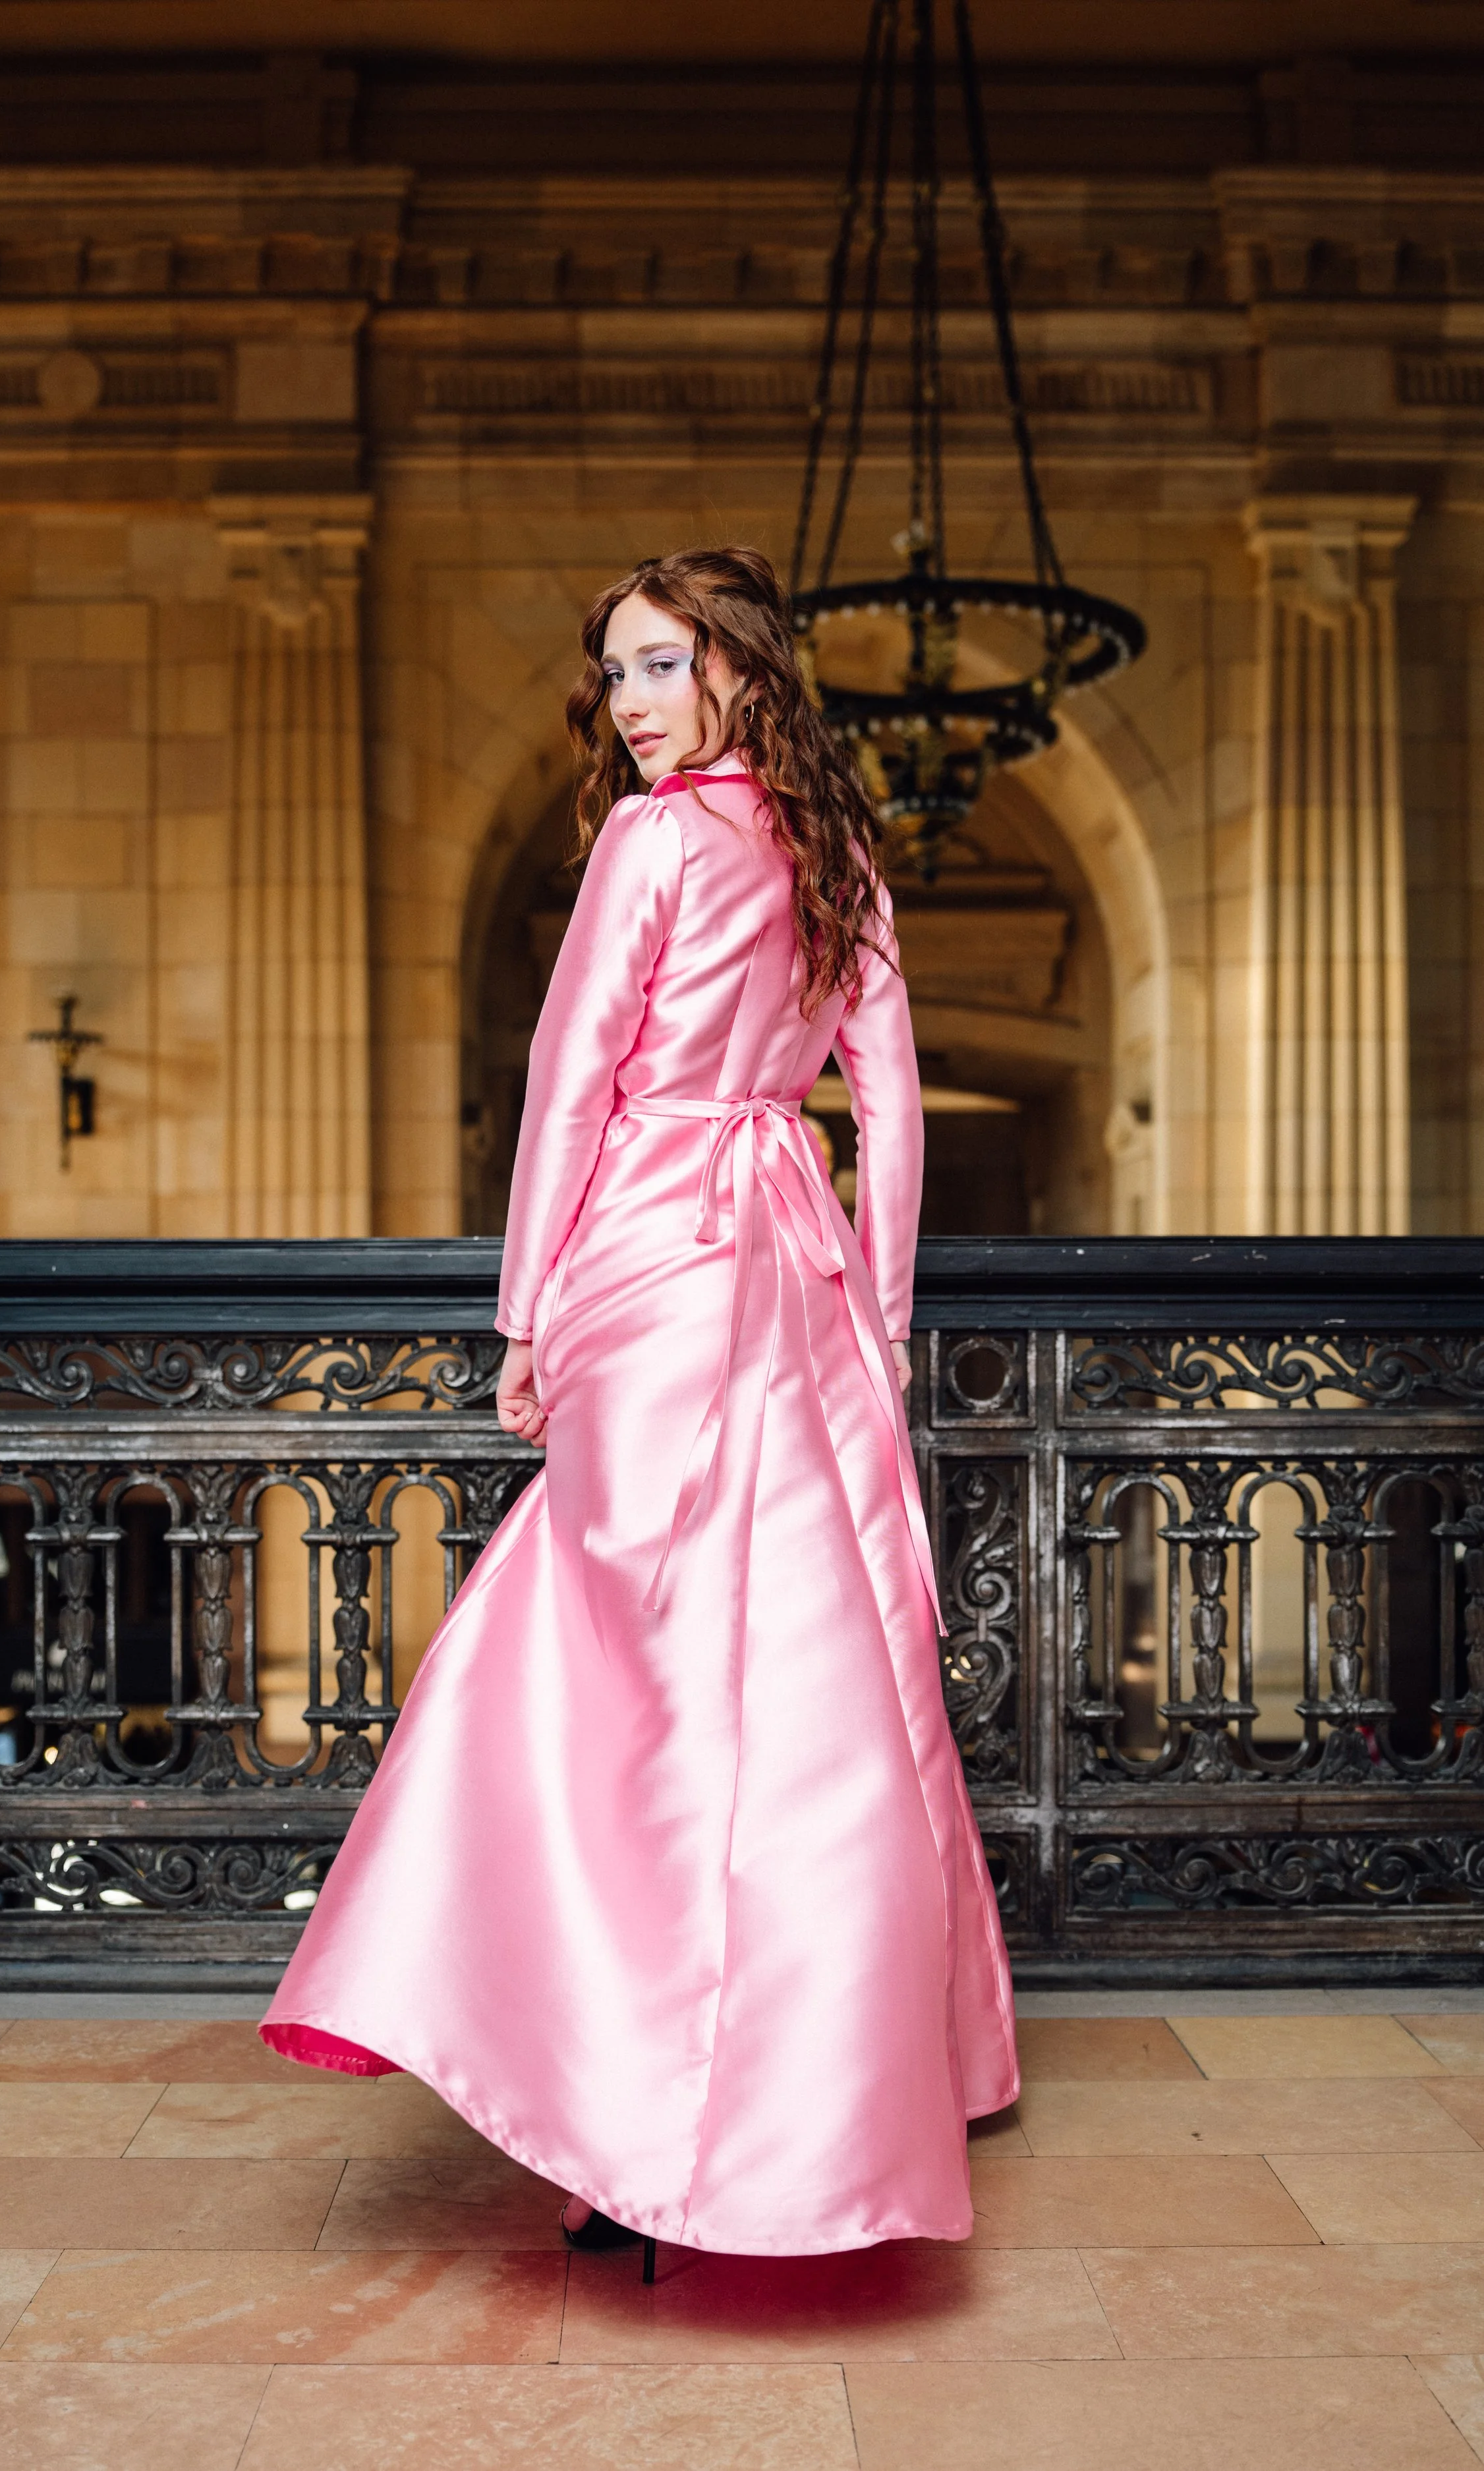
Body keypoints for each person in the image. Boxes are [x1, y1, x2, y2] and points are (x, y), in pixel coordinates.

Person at [260, 544, 1018, 2259]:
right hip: (796, 1267)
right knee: (810, 1693)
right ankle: (825, 2088)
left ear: (741, 667)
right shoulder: (835, 852)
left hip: (654, 1263)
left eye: (662, 664)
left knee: (628, 1698)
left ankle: (631, 2117)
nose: (632, 704)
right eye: (615, 673)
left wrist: (525, 1308)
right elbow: (886, 1107)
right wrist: (875, 1315)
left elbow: (568, 1076)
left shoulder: (648, 840)